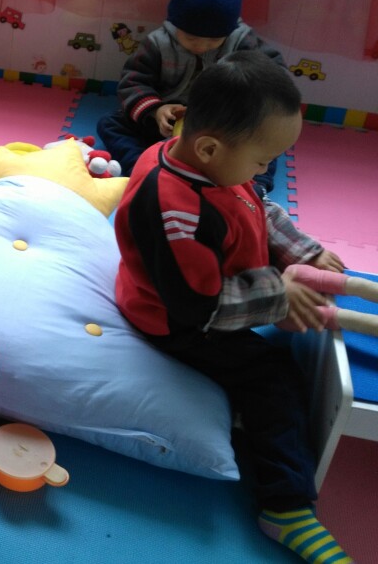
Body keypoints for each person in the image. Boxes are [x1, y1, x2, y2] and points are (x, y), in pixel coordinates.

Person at [112, 51, 351, 564]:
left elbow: (256, 204)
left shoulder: (212, 163)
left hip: (211, 285)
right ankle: (285, 506)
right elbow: (197, 306)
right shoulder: (174, 211)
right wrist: (278, 295)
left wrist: (300, 251)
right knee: (273, 376)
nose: (265, 169)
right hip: (175, 319)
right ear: (209, 146)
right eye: (264, 160)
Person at [97, 0, 286, 197]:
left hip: (221, 128)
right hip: (167, 125)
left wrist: (243, 109)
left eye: (214, 40)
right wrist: (155, 110)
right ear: (176, 24)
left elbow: (276, 75)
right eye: (191, 38)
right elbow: (133, 81)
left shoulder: (242, 42)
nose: (202, 46)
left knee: (265, 138)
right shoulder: (159, 43)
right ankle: (144, 170)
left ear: (229, 31)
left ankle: (253, 187)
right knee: (110, 123)